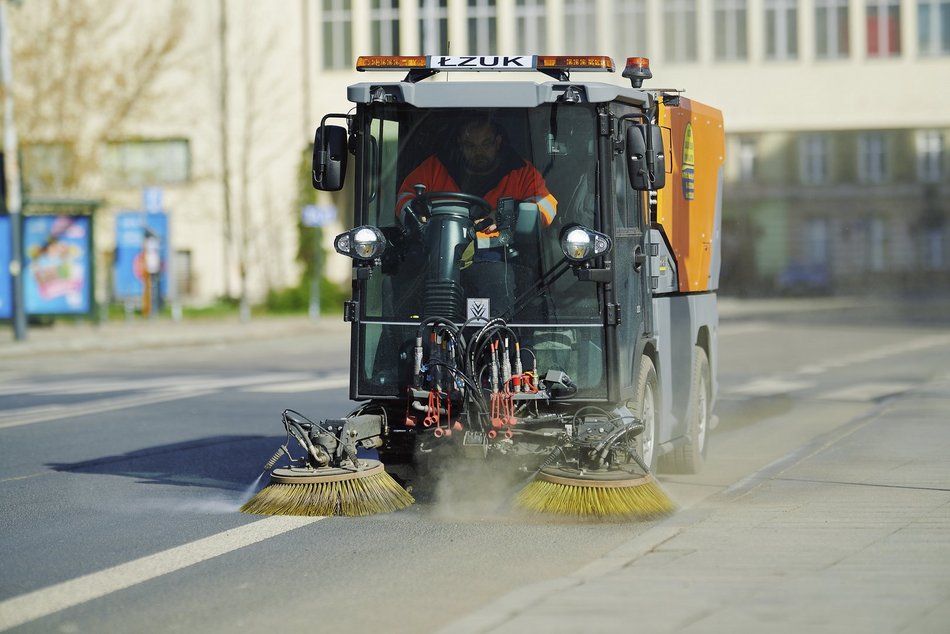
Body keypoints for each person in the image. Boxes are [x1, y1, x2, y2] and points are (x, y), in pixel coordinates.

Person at [395, 115, 557, 257]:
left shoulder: (522, 172)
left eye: (486, 144)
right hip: (440, 251)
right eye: (470, 145)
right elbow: (405, 196)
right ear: (460, 144)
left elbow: (547, 206)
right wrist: (416, 218)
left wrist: (509, 213)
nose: (479, 152)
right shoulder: (434, 167)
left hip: (501, 254)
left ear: (498, 142)